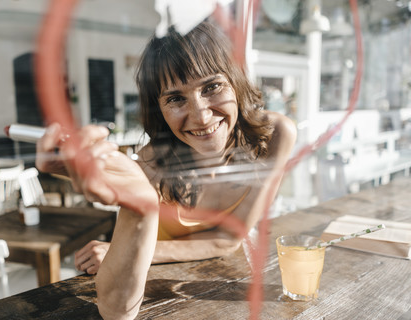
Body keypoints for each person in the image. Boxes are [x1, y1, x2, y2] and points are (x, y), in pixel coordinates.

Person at [37, 21, 296, 319]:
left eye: (212, 87)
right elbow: (116, 312)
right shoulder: (150, 166)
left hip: (217, 289)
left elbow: (228, 239)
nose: (200, 116)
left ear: (236, 82)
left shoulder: (275, 135)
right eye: (175, 99)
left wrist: (132, 252)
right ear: (158, 108)